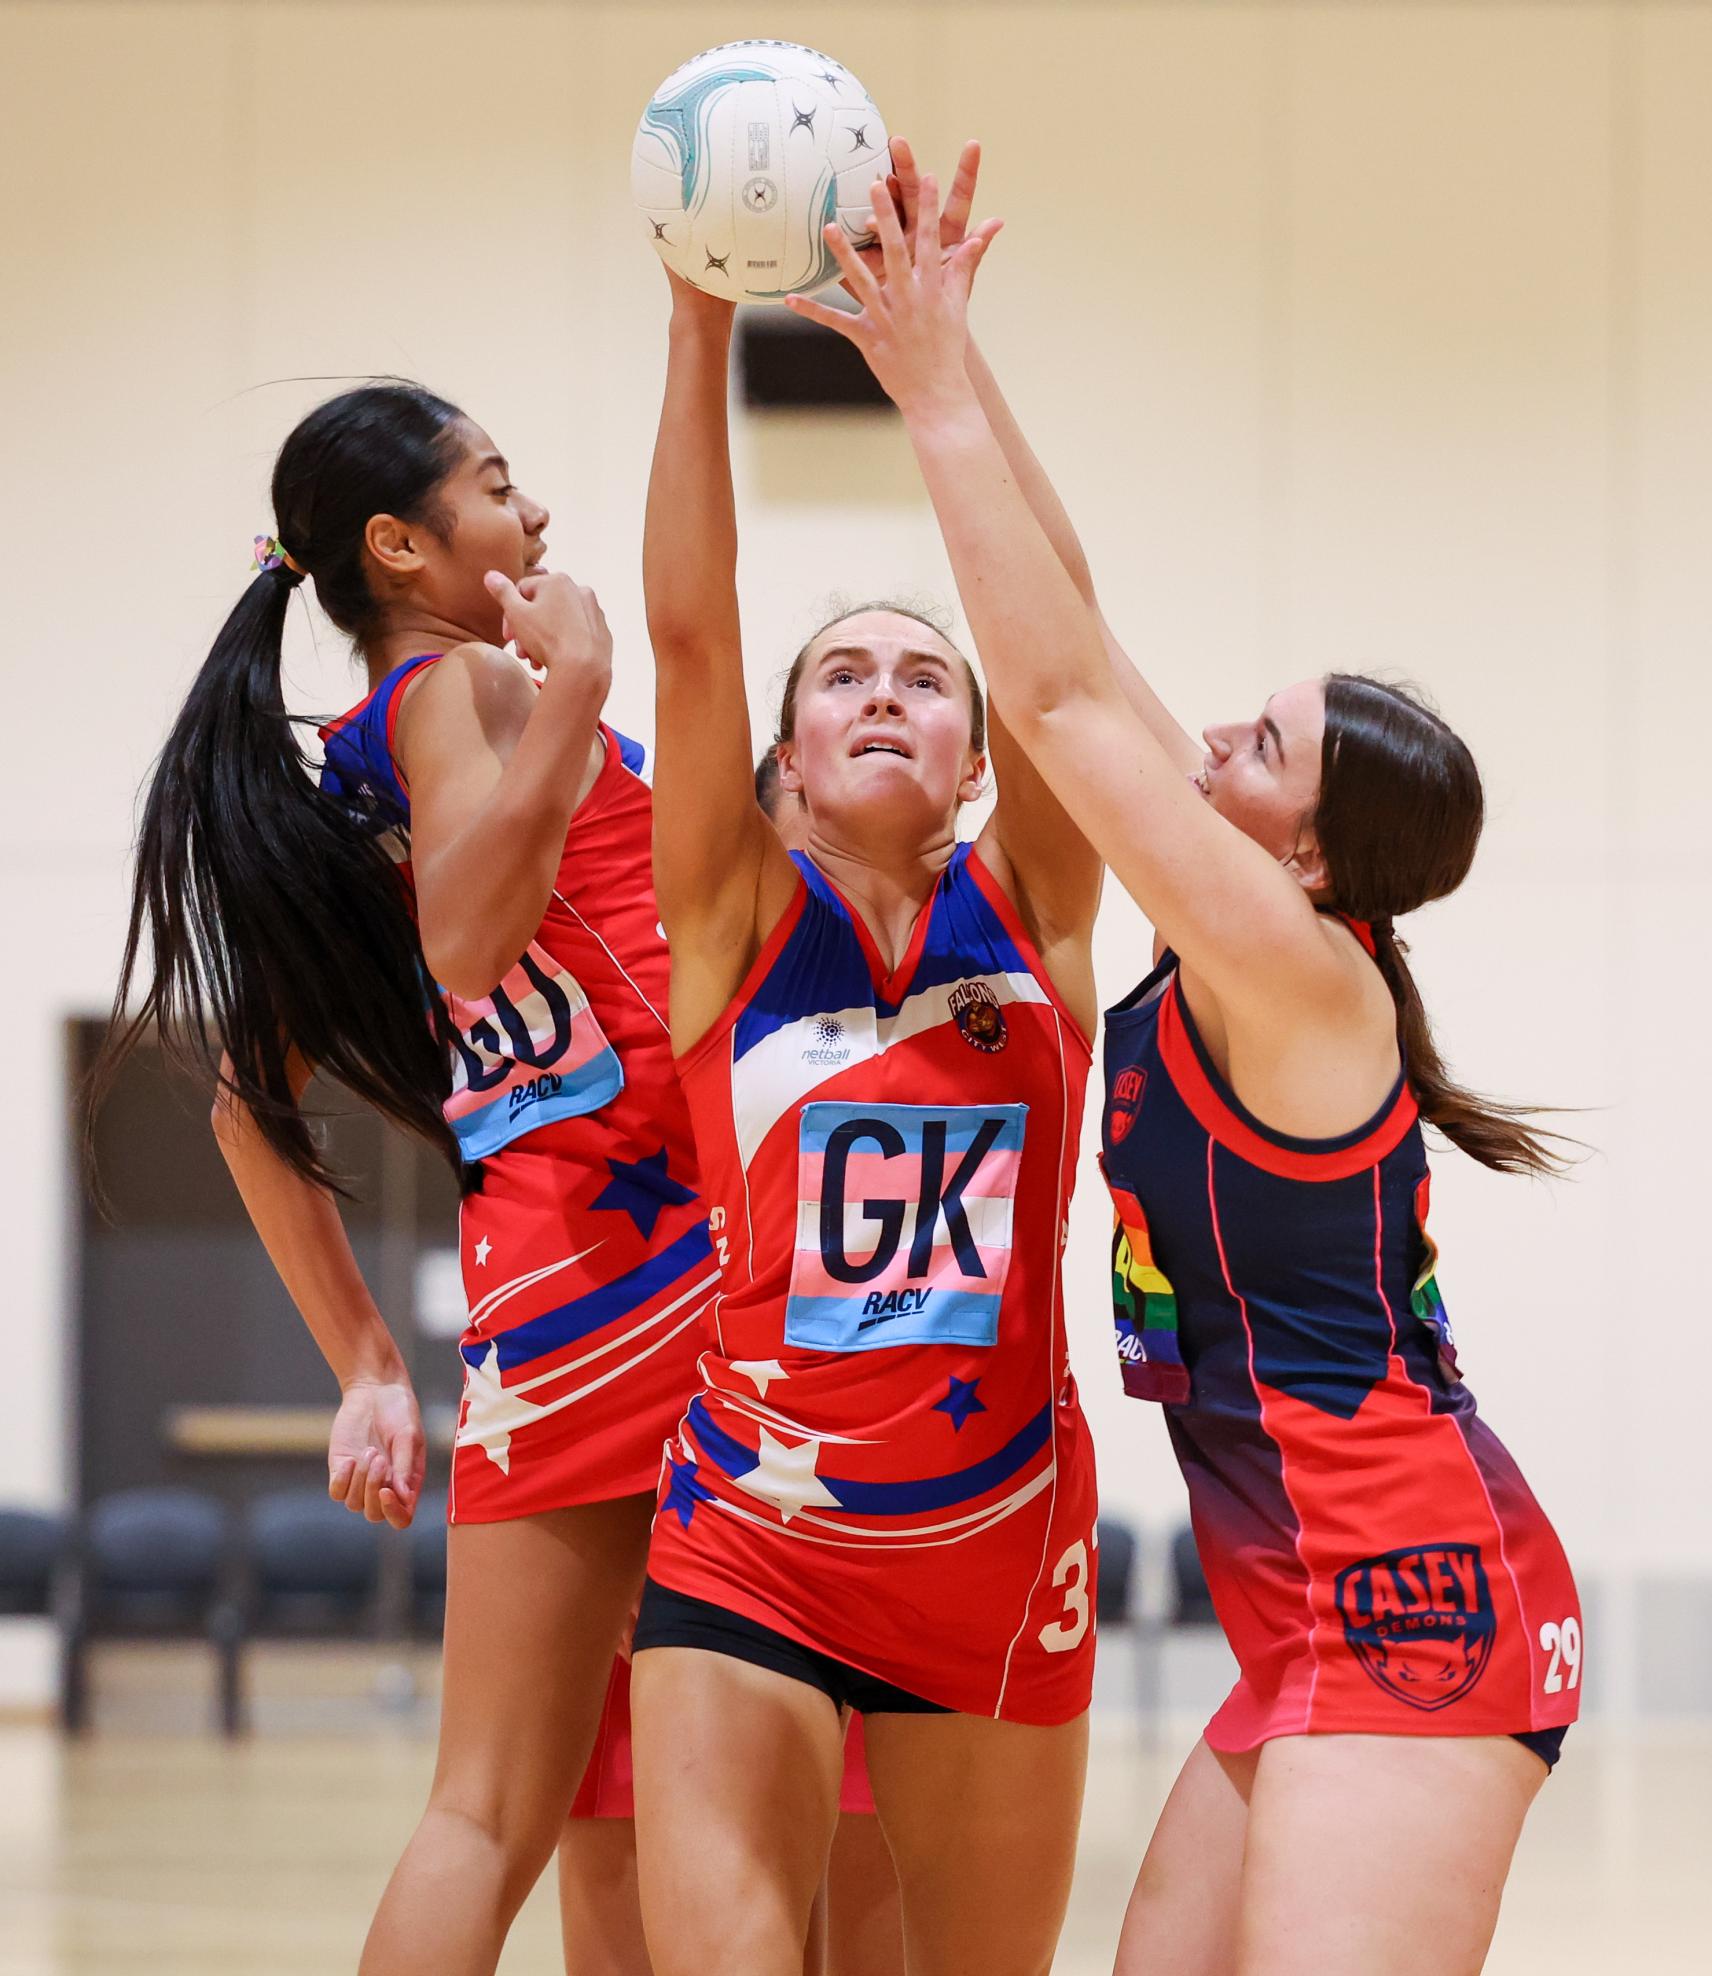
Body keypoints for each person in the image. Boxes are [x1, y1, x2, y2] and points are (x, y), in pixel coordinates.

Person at [794, 167, 1584, 1976]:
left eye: (1266, 743)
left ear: (1311, 854)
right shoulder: (1253, 934)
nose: (1217, 729)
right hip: (1305, 1611)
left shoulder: (1301, 983)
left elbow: (1055, 711)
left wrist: (917, 400)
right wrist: (960, 357)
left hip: (1418, 1600)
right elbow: (1073, 624)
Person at [100, 382, 717, 1976]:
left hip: (542, 1308)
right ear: (400, 548)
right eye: (501, 492)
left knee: (551, 1800)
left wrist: (372, 1365)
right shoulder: (457, 701)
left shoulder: (373, 765)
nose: (537, 521)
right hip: (668, 1276)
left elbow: (245, 1101)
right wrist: (578, 687)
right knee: (531, 1806)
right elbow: (467, 935)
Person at [629, 182, 1109, 1974]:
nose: (887, 692)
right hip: (753, 1534)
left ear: (985, 763)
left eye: (927, 678)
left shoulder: (1040, 908)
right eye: (843, 679)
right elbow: (690, 636)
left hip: (1001, 1542)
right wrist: (696, 322)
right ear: (785, 771)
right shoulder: (734, 923)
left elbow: (1065, 641)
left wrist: (946, 380)